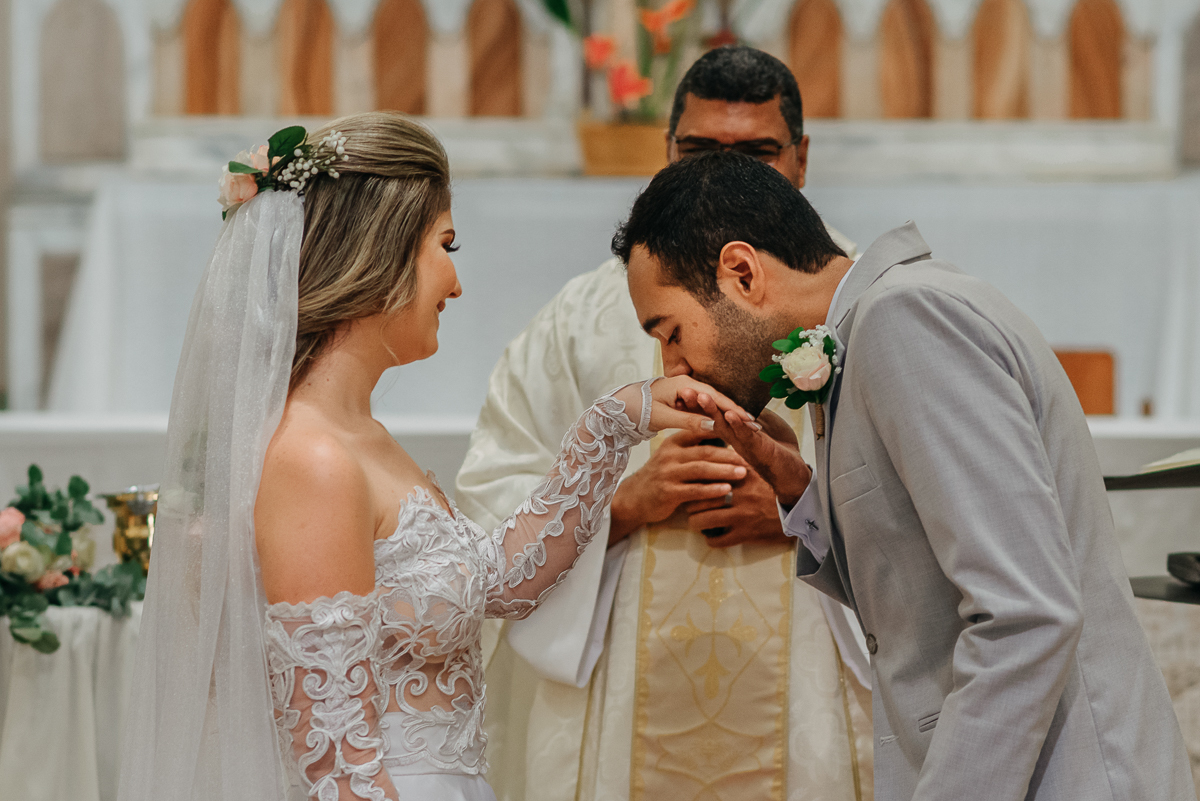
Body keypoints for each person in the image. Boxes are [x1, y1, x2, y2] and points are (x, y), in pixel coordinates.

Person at [116, 112, 742, 801]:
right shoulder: (313, 458)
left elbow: (501, 582)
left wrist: (616, 422)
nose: (457, 282)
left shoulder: (365, 438)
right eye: (446, 245)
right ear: (379, 252)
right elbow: (338, 766)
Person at [615, 150, 1197, 801]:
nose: (673, 368)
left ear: (742, 272)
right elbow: (920, 590)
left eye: (670, 332)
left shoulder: (906, 320)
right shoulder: (869, 331)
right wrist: (797, 487)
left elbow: (1026, 614)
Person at [457, 47, 871, 801]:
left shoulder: (854, 300)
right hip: (621, 691)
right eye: (701, 150)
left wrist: (804, 514)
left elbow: (933, 509)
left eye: (755, 152)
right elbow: (493, 492)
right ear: (666, 151)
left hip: (815, 687)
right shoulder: (582, 317)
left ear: (801, 159)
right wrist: (620, 505)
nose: (724, 174)